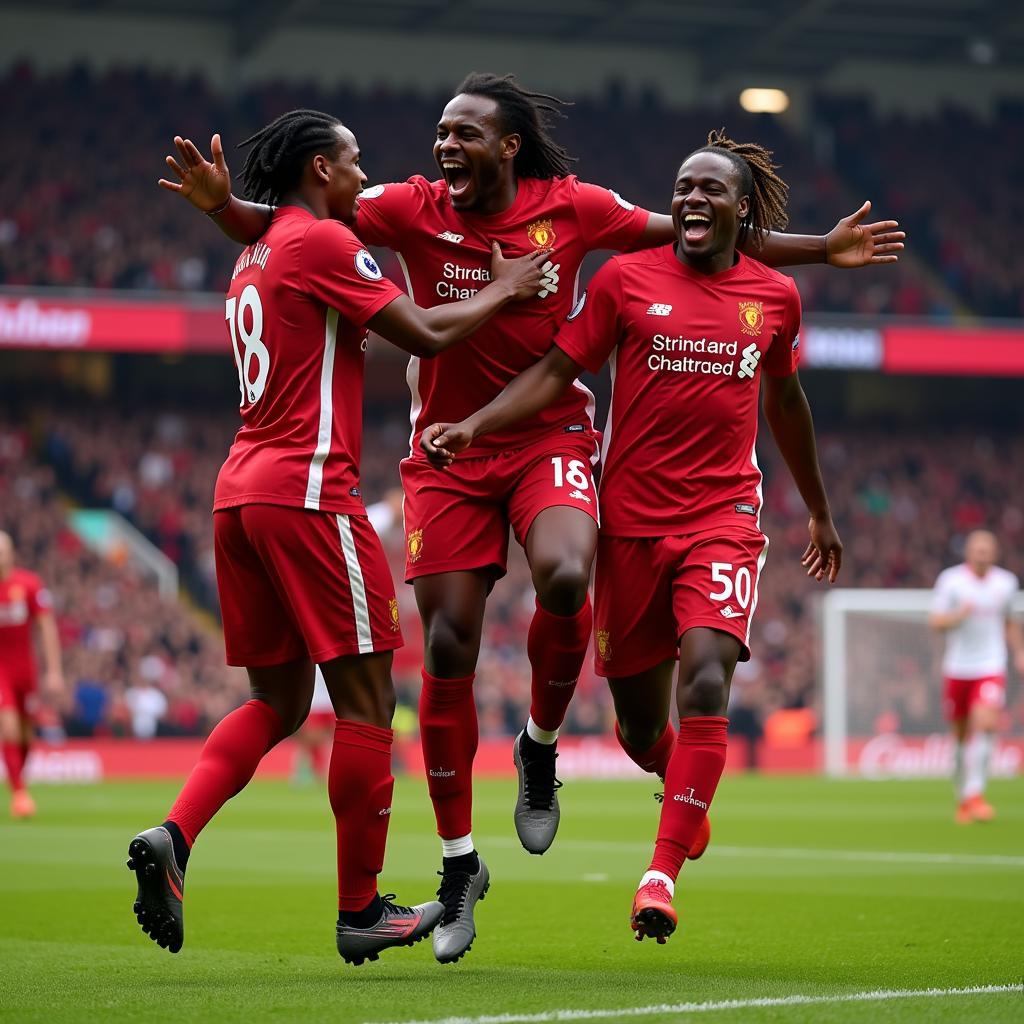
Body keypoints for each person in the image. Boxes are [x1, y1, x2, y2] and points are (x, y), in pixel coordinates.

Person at [170, 74, 901, 963]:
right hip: (446, 451)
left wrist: (821, 250)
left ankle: (541, 744)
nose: (443, 146)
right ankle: (456, 864)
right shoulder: (407, 208)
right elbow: (298, 233)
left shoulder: (578, 209)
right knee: (444, 648)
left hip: (549, 433)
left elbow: (701, 237)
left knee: (563, 573)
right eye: (440, 131)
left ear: (508, 145)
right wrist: (226, 210)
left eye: (463, 132)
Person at [129, 108, 548, 965]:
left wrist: (221, 213)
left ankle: (176, 835)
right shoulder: (322, 243)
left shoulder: (255, 253)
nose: (366, 176)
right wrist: (509, 287)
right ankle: (360, 910)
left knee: (277, 703)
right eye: (354, 163)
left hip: (238, 496)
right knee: (366, 705)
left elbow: (274, 239)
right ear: (321, 169)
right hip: (311, 494)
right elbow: (426, 333)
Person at [420, 129, 844, 943]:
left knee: (711, 680)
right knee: (644, 728)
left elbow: (788, 404)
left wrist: (819, 510)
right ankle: (673, 777)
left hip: (724, 519)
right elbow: (555, 373)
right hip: (630, 528)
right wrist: (473, 426)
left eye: (708, 190)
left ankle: (660, 873)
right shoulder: (623, 280)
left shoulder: (775, 298)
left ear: (741, 210)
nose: (689, 199)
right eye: (682, 186)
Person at [929, 529, 1023, 824]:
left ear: (994, 553)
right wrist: (959, 615)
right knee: (959, 738)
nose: (982, 554)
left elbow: (1008, 620)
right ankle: (963, 798)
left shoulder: (1006, 583)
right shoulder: (951, 580)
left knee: (986, 725)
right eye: (977, 549)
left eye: (987, 550)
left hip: (990, 665)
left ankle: (976, 794)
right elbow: (936, 622)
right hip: (957, 667)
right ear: (968, 552)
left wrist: (1019, 651)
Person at [0, 530, 64, 819]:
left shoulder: (28, 584)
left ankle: (18, 779)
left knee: (26, 735)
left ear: (11, 553)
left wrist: (54, 671)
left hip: (25, 670)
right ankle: (19, 794)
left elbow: (46, 627)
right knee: (9, 726)